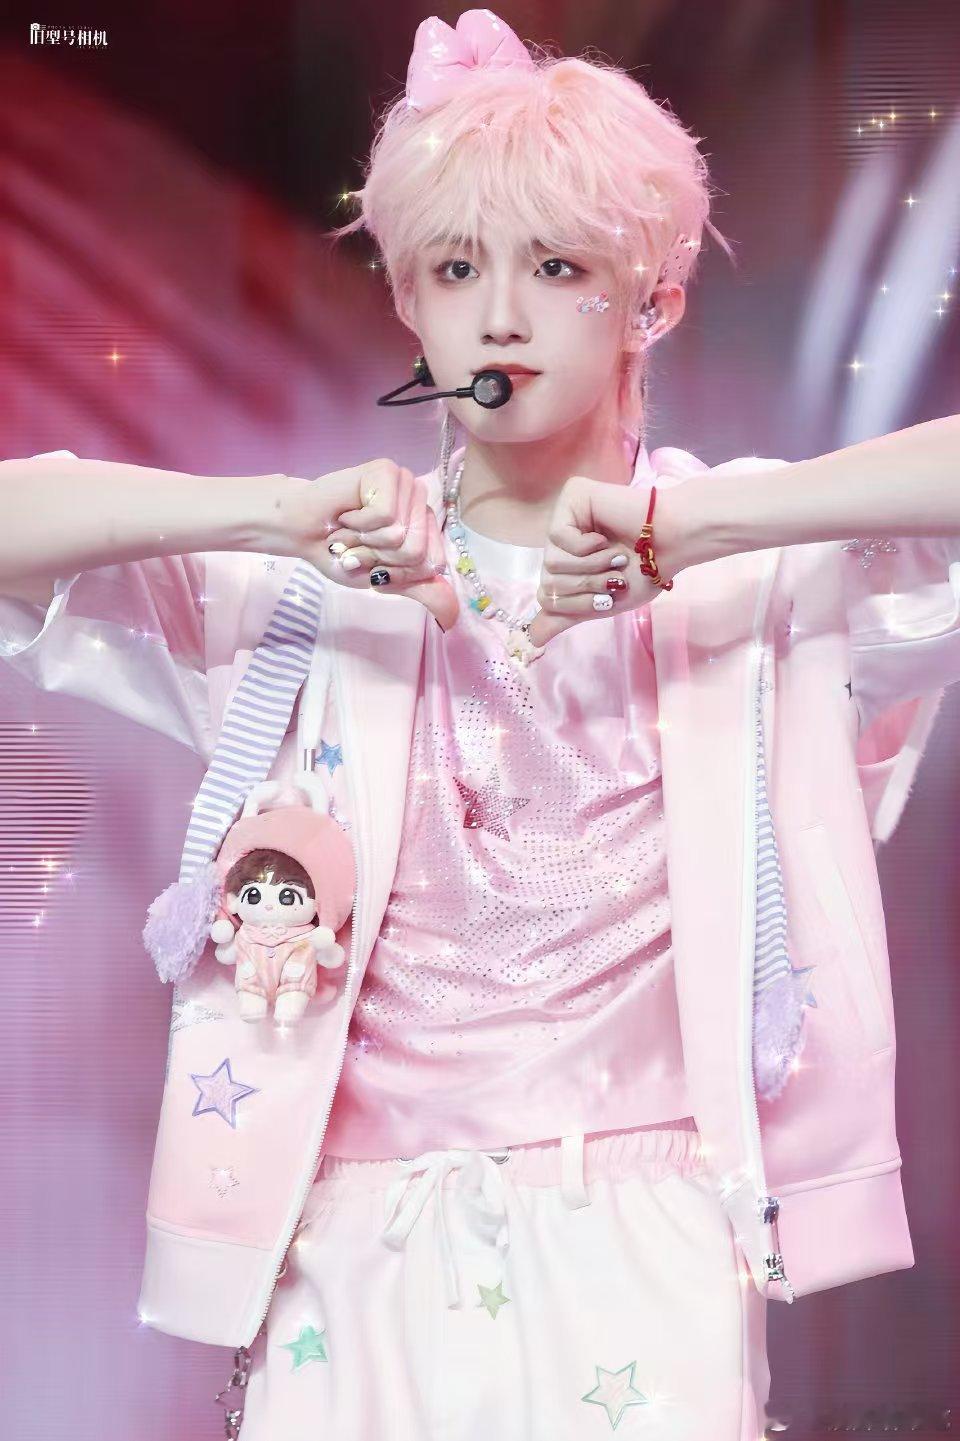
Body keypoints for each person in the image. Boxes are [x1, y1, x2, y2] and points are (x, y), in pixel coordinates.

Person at [3, 10, 960, 1439]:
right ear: (407, 298)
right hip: (344, 1237)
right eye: (456, 269)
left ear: (652, 299)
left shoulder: (753, 567)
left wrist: (702, 526)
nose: (499, 315)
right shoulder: (313, 579)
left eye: (557, 267)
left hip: (645, 1234)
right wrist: (270, 515)